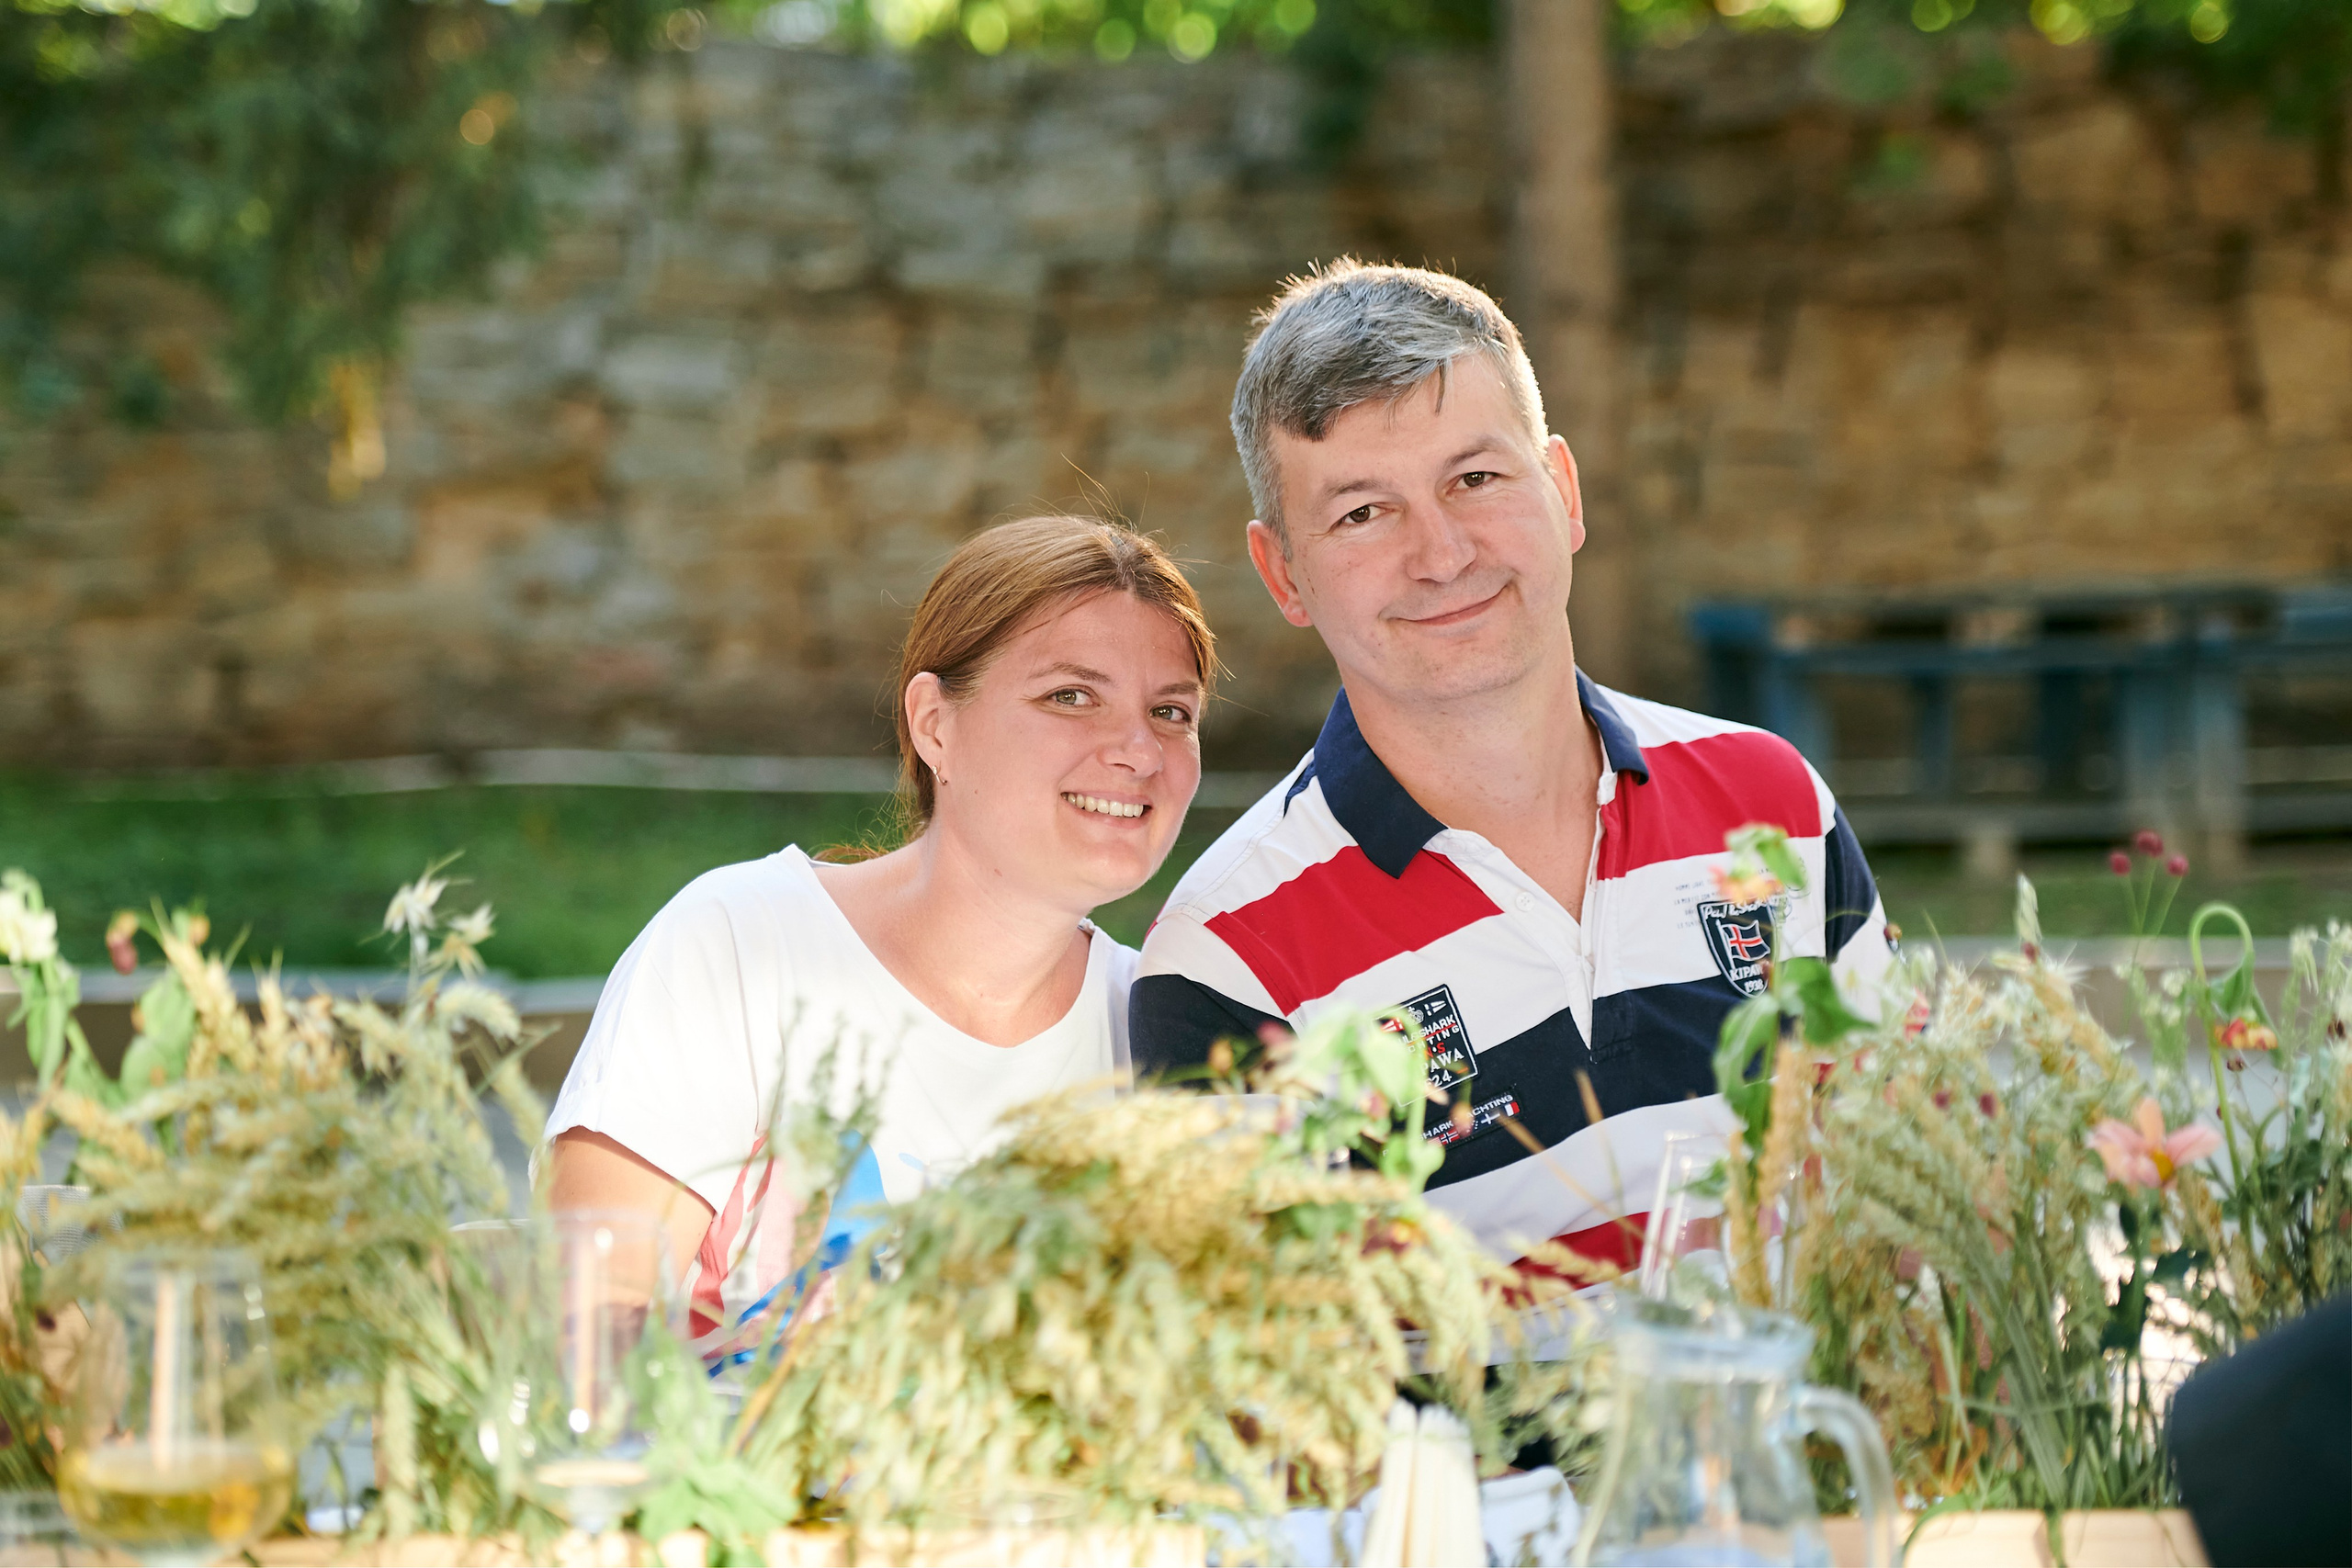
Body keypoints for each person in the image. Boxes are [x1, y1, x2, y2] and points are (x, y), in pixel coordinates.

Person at [1131, 262, 1893, 1274]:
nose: (1442, 554)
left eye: (1476, 479)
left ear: (1562, 491)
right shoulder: (1228, 957)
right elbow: (1256, 1354)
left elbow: (1910, 1207)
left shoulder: (1772, 802)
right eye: (1363, 513)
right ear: (1284, 574)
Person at [547, 514, 1215, 1359]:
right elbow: (584, 1341)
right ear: (935, 724)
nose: (1140, 751)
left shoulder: (1161, 1028)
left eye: (1171, 711)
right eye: (1070, 696)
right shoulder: (741, 947)